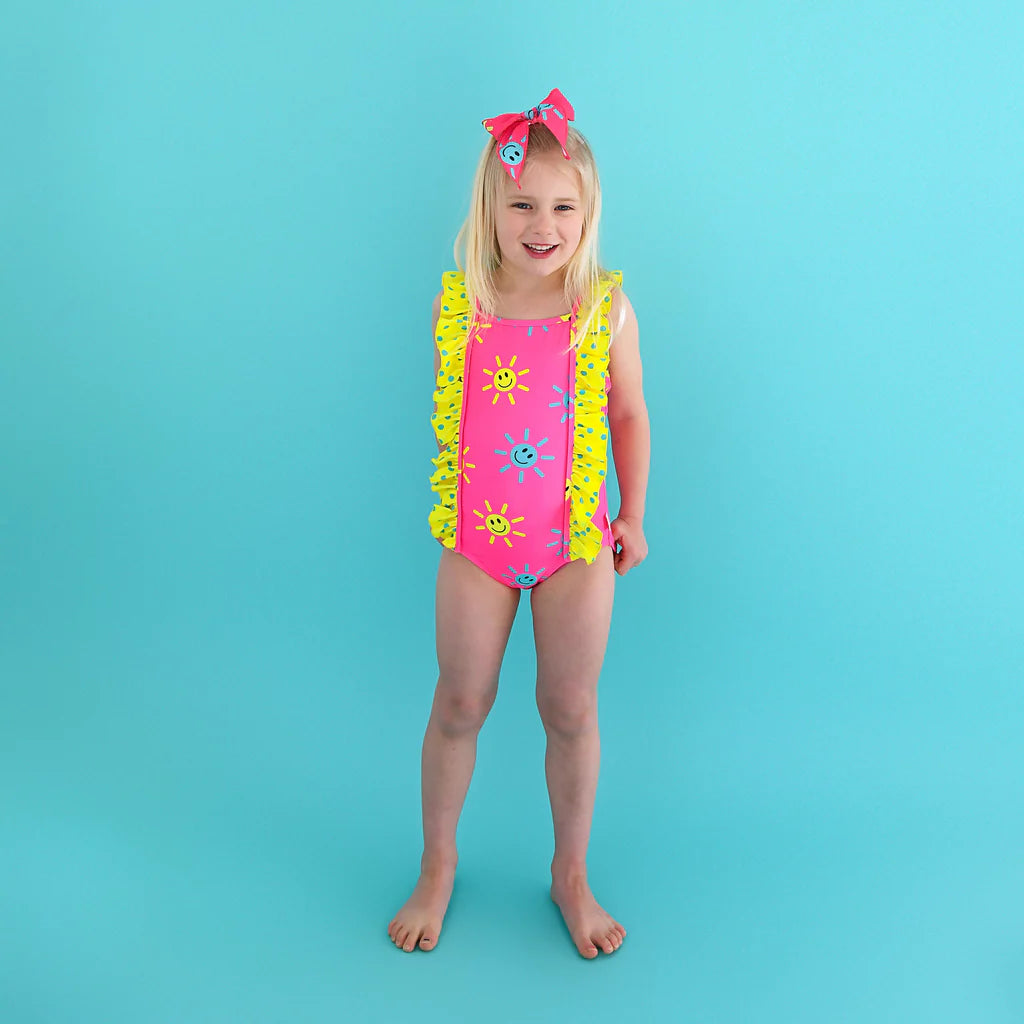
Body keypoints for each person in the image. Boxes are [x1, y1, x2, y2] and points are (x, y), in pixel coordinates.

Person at [387, 88, 650, 959]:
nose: (544, 225)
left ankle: (570, 873)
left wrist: (632, 513)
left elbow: (627, 414)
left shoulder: (605, 310)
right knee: (460, 701)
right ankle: (438, 862)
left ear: (589, 214)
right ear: (489, 210)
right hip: (479, 544)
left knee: (569, 707)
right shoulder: (460, 308)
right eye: (523, 205)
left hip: (576, 543)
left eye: (563, 207)